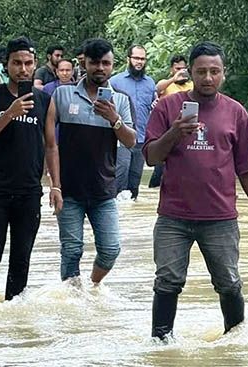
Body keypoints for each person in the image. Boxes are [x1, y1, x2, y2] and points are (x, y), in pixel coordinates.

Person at [143, 41, 248, 340]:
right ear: (190, 72)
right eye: (201, 71)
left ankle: (235, 344)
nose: (208, 78)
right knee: (167, 282)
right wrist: (175, 132)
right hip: (173, 216)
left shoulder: (236, 113)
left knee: (229, 283)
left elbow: (247, 168)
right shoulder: (167, 107)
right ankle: (160, 345)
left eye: (215, 71)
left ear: (224, 73)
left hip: (220, 217)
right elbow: (151, 157)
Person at [45, 38, 136, 287]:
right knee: (71, 250)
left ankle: (93, 288)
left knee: (110, 250)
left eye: (106, 63)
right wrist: (54, 185)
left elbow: (131, 141)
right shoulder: (62, 94)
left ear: (113, 65)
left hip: (104, 190)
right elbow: (50, 144)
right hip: (69, 190)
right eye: (95, 63)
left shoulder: (121, 100)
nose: (100, 68)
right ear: (84, 63)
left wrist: (114, 119)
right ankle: (72, 298)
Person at [0, 37, 56, 301]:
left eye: (28, 63)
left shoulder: (45, 101)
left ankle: (13, 310)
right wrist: (9, 113)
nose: (23, 69)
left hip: (29, 190)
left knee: (22, 257)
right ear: (6, 65)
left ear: (35, 64)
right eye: (17, 63)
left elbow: (51, 146)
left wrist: (56, 186)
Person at [111, 45, 157, 200]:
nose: (139, 62)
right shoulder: (114, 82)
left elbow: (152, 106)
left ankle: (133, 210)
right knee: (120, 175)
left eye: (142, 59)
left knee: (135, 180)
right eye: (136, 58)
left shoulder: (150, 83)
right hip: (120, 138)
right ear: (128, 59)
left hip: (142, 138)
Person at [150, 55, 193, 189]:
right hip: (166, 131)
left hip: (186, 131)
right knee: (159, 168)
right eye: (177, 68)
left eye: (183, 68)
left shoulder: (192, 85)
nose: (181, 71)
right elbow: (155, 89)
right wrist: (174, 79)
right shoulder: (166, 84)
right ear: (171, 69)